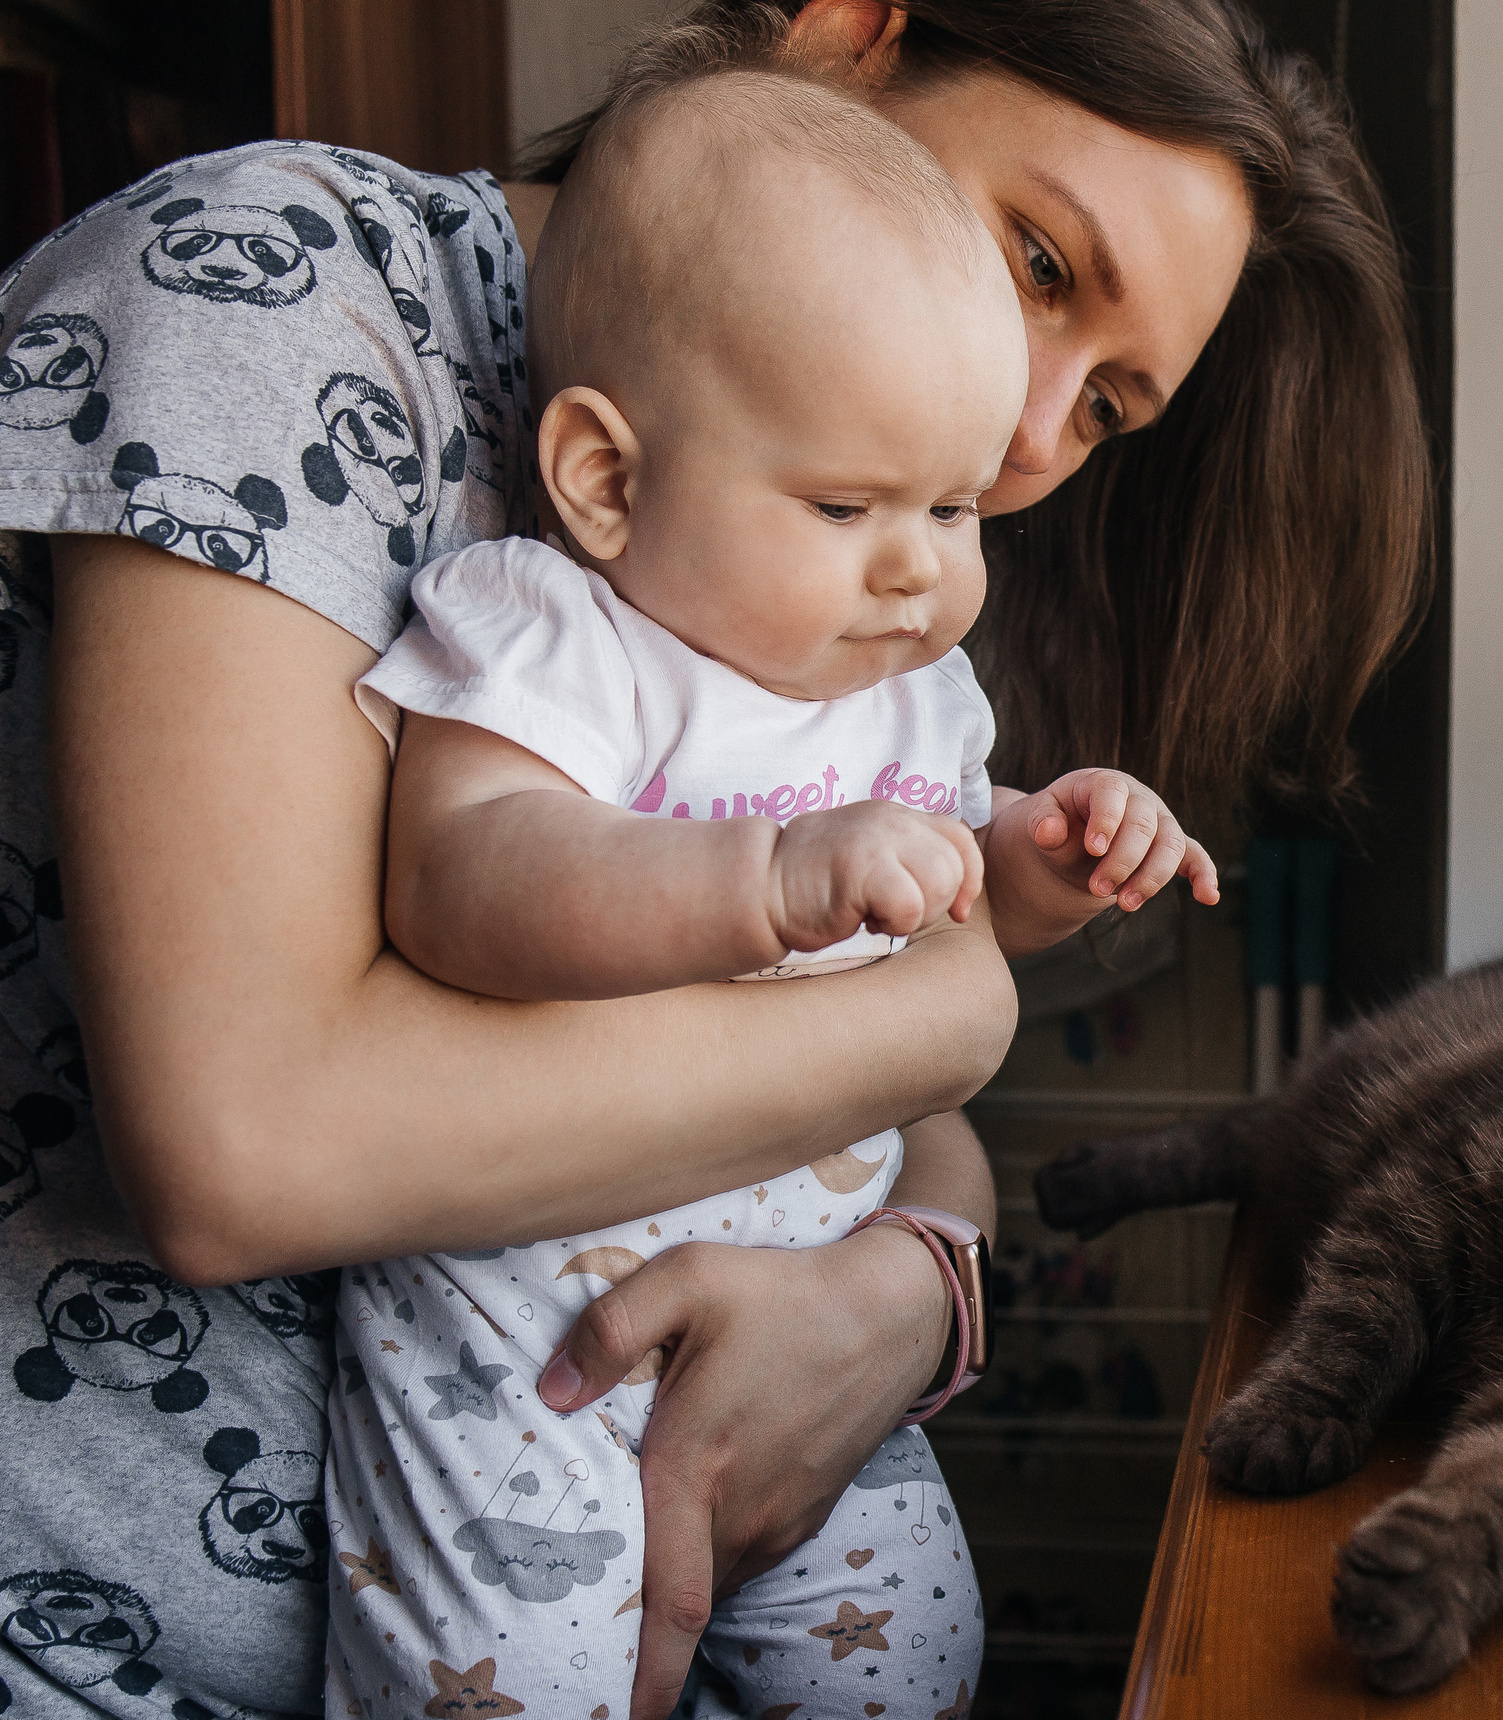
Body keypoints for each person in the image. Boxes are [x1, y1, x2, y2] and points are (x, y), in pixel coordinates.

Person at [0, 1, 1425, 1715]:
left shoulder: (853, 573)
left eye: (1113, 408)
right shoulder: (269, 294)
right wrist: (957, 1006)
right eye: (1042, 264)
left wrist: (916, 1286)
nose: (1032, 432)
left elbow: (839, 1088)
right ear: (842, 35)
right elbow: (247, 1149)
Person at [327, 61, 1213, 1716]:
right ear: (607, 481)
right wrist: (763, 879)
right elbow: (460, 879)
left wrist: (1042, 853)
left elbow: (948, 904)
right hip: (529, 1311)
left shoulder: (898, 688)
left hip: (808, 1286)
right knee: (521, 1675)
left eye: (952, 507)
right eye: (844, 504)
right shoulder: (561, 634)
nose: (922, 566)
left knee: (915, 1661)